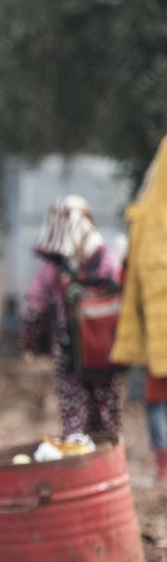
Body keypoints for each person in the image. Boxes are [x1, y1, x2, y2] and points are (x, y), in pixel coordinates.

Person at [21, 196, 124, 442]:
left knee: (73, 415)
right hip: (106, 350)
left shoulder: (54, 264)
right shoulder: (106, 257)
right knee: (107, 413)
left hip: (68, 351)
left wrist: (28, 345)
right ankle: (108, 466)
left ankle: (78, 466)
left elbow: (34, 307)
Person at [112, 138, 167, 481]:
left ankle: (163, 466)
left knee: (156, 402)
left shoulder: (146, 221)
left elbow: (129, 282)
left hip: (155, 342)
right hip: (155, 338)